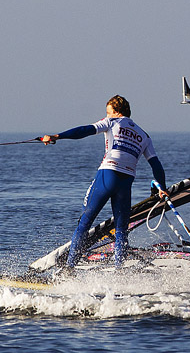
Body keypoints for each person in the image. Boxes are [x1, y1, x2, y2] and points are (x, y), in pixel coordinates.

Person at [40, 95, 168, 270]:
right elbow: (156, 164)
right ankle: (119, 273)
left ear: (115, 112)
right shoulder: (144, 135)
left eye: (108, 112)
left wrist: (57, 136)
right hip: (126, 183)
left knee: (85, 222)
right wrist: (162, 187)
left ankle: (69, 270)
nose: (106, 115)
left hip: (108, 175)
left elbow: (85, 130)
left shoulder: (113, 121)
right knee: (121, 229)